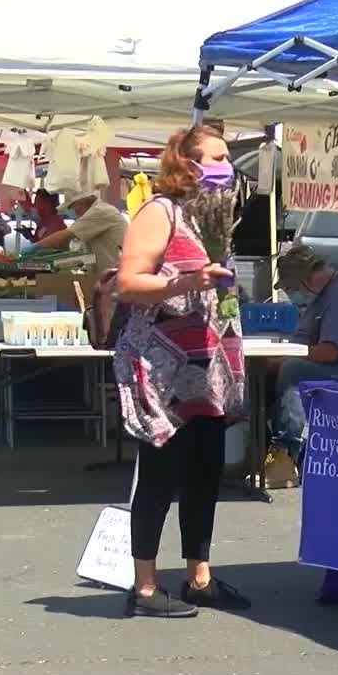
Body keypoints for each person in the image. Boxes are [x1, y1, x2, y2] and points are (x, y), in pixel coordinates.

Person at [113, 124, 249, 618]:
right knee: (160, 476)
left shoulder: (212, 218)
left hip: (209, 369)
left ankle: (199, 576)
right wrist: (188, 281)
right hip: (164, 369)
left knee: (204, 475)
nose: (225, 167)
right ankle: (145, 587)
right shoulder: (160, 212)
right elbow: (129, 284)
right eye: (215, 157)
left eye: (227, 157)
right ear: (187, 165)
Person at [268, 244, 338, 469]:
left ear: (306, 278)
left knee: (293, 370)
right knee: (265, 372)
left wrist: (284, 358)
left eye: (293, 287)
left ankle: (288, 451)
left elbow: (329, 352)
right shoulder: (323, 294)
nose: (293, 293)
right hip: (337, 366)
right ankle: (261, 446)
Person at [23, 189, 127, 274]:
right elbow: (73, 247)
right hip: (107, 274)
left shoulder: (100, 211)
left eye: (72, 207)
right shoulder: (95, 215)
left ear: (81, 202)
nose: (73, 212)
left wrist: (36, 247)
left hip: (116, 276)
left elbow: (66, 236)